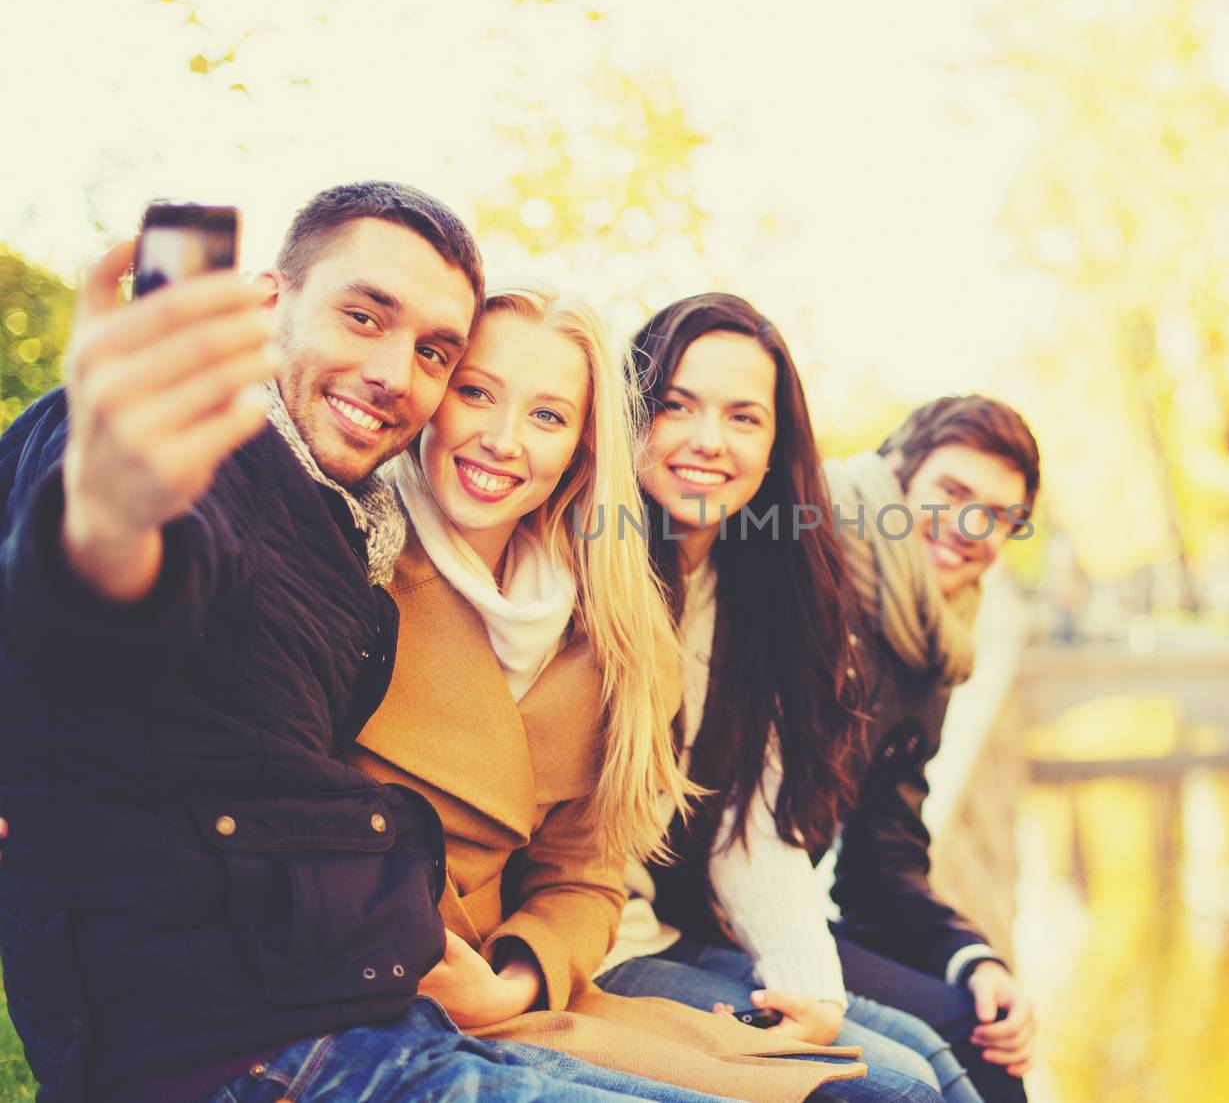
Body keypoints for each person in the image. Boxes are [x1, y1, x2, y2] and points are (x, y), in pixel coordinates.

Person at [0, 183, 747, 1103]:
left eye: (434, 352)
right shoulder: (218, 470)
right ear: (271, 304)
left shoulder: (354, 543)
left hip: (405, 994)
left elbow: (586, 867)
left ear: (582, 450)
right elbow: (124, 594)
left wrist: (513, 971)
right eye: (363, 316)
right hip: (254, 1029)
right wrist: (115, 506)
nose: (397, 374)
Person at [345, 280, 934, 1103]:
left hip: (554, 959)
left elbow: (615, 855)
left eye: (548, 415)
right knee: (893, 1089)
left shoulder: (623, 616)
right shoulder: (354, 561)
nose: (505, 438)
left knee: (918, 1072)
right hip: (408, 985)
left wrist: (521, 975)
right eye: (477, 391)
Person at [590, 294, 981, 1103]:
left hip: (658, 933)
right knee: (901, 1088)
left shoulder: (751, 590)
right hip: (587, 954)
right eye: (676, 406)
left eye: (743, 417)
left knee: (936, 1060)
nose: (709, 440)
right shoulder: (584, 564)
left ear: (775, 447)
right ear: (628, 411)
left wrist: (812, 992)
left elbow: (753, 824)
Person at [824, 396, 1043, 1099]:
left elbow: (881, 854)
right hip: (682, 917)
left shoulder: (931, 636)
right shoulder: (806, 575)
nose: (972, 527)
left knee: (981, 1024)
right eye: (952, 492)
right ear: (896, 476)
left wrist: (972, 958)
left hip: (766, 913)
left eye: (1001, 516)